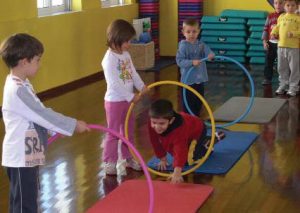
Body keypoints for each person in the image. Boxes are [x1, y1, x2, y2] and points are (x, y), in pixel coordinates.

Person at [0, 33, 90, 213]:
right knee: (25, 205)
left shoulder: (22, 83)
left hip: (28, 153)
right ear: (24, 62)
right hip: (20, 158)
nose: (40, 65)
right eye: (37, 60)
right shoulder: (17, 90)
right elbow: (42, 114)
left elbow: (37, 111)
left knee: (26, 199)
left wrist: (52, 130)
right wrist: (72, 125)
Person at [101, 19, 148, 175]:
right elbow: (114, 83)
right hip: (114, 102)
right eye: (127, 41)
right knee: (113, 132)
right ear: (116, 39)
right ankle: (110, 161)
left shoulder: (126, 55)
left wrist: (141, 86)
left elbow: (133, 73)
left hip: (127, 102)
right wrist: (130, 96)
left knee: (128, 130)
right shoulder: (109, 60)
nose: (129, 44)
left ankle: (128, 158)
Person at [148, 99, 225, 184]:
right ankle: (205, 142)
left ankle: (208, 143)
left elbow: (180, 149)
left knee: (188, 161)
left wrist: (177, 171)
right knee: (179, 153)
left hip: (197, 130)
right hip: (187, 133)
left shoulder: (179, 129)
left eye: (161, 124)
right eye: (154, 122)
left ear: (171, 120)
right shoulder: (152, 123)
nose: (157, 126)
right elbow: (155, 142)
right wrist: (162, 158)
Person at [176, 18, 215, 116]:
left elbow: (209, 53)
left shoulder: (201, 44)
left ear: (198, 31)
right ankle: (188, 120)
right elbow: (179, 61)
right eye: (188, 32)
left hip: (199, 80)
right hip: (188, 81)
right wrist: (192, 62)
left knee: (198, 102)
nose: (191, 34)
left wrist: (210, 55)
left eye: (194, 31)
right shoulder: (183, 46)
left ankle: (196, 120)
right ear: (183, 32)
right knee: (188, 104)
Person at [271, 0, 300, 97]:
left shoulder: (298, 18)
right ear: (284, 6)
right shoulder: (281, 17)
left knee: (294, 68)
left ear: (297, 6)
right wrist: (273, 33)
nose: (290, 7)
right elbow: (277, 27)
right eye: (288, 5)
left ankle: (293, 87)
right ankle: (283, 85)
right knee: (281, 67)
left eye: (293, 5)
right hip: (281, 46)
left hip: (293, 48)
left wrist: (294, 34)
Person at [261, 0, 285, 85]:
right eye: (276, 3)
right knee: (268, 61)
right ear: (273, 4)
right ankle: (267, 78)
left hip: (282, 44)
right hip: (271, 43)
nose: (278, 5)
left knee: (283, 64)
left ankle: (285, 81)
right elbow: (265, 29)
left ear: (285, 4)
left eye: (280, 3)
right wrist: (264, 42)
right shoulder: (270, 16)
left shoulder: (287, 16)